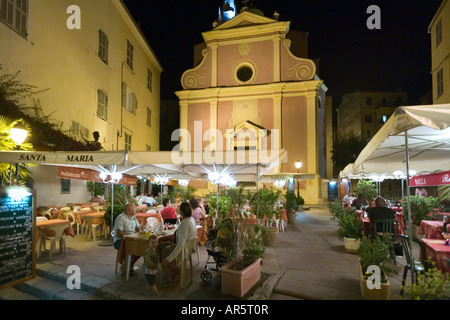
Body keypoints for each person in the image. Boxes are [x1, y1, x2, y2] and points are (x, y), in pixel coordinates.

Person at [161, 202, 197, 281]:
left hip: (184, 250)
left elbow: (181, 244)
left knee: (161, 250)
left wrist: (168, 259)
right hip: (189, 248)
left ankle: (176, 269)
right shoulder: (191, 220)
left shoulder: (184, 223)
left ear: (181, 211)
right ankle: (172, 274)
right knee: (168, 246)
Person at [113, 203, 141, 276]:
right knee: (136, 248)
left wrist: (139, 231)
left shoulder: (133, 217)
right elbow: (119, 233)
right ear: (129, 210)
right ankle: (127, 267)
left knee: (142, 249)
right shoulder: (121, 218)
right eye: (134, 208)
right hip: (120, 241)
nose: (136, 209)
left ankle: (127, 265)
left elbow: (138, 228)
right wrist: (128, 237)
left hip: (130, 240)